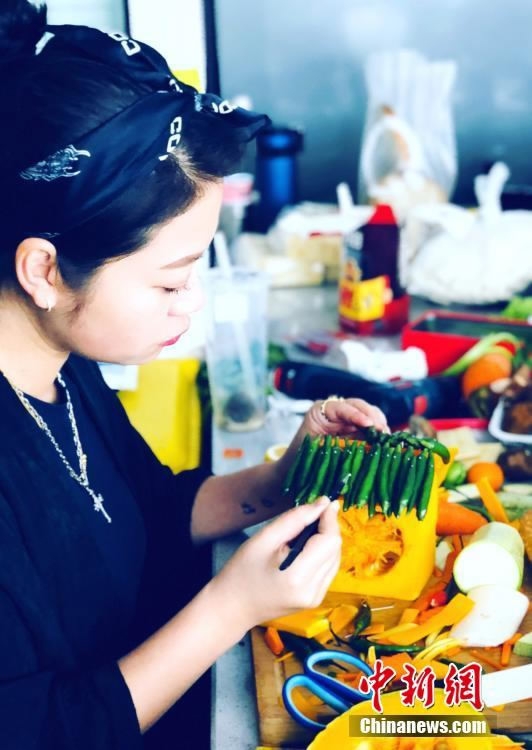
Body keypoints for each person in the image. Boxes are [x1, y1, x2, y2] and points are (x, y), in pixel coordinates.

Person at [0, 2, 389, 748]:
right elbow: (40, 730)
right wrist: (231, 609)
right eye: (170, 281)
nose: (193, 301)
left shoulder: (63, 365)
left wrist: (280, 480)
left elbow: (144, 508)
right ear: (44, 270)